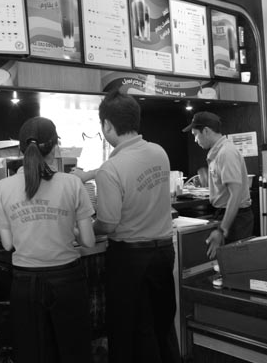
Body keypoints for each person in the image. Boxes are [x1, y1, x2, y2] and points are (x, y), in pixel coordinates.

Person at [0, 116, 96, 363]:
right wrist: (70, 230)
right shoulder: (73, 184)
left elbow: (8, 244)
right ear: (56, 147)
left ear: (20, 150)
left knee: (32, 354)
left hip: (25, 284)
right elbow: (89, 241)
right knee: (74, 353)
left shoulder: (2, 188)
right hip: (67, 281)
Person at [90, 87, 181, 363]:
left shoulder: (111, 169)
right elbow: (134, 169)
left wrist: (86, 227)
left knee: (130, 331)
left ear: (107, 125)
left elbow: (108, 224)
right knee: (162, 325)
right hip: (164, 253)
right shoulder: (159, 152)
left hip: (130, 260)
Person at [182, 111, 253, 259]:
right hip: (227, 214)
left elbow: (236, 194)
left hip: (236, 219)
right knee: (227, 263)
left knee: (235, 264)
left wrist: (222, 229)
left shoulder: (226, 153)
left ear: (206, 131)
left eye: (195, 134)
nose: (195, 140)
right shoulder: (218, 152)